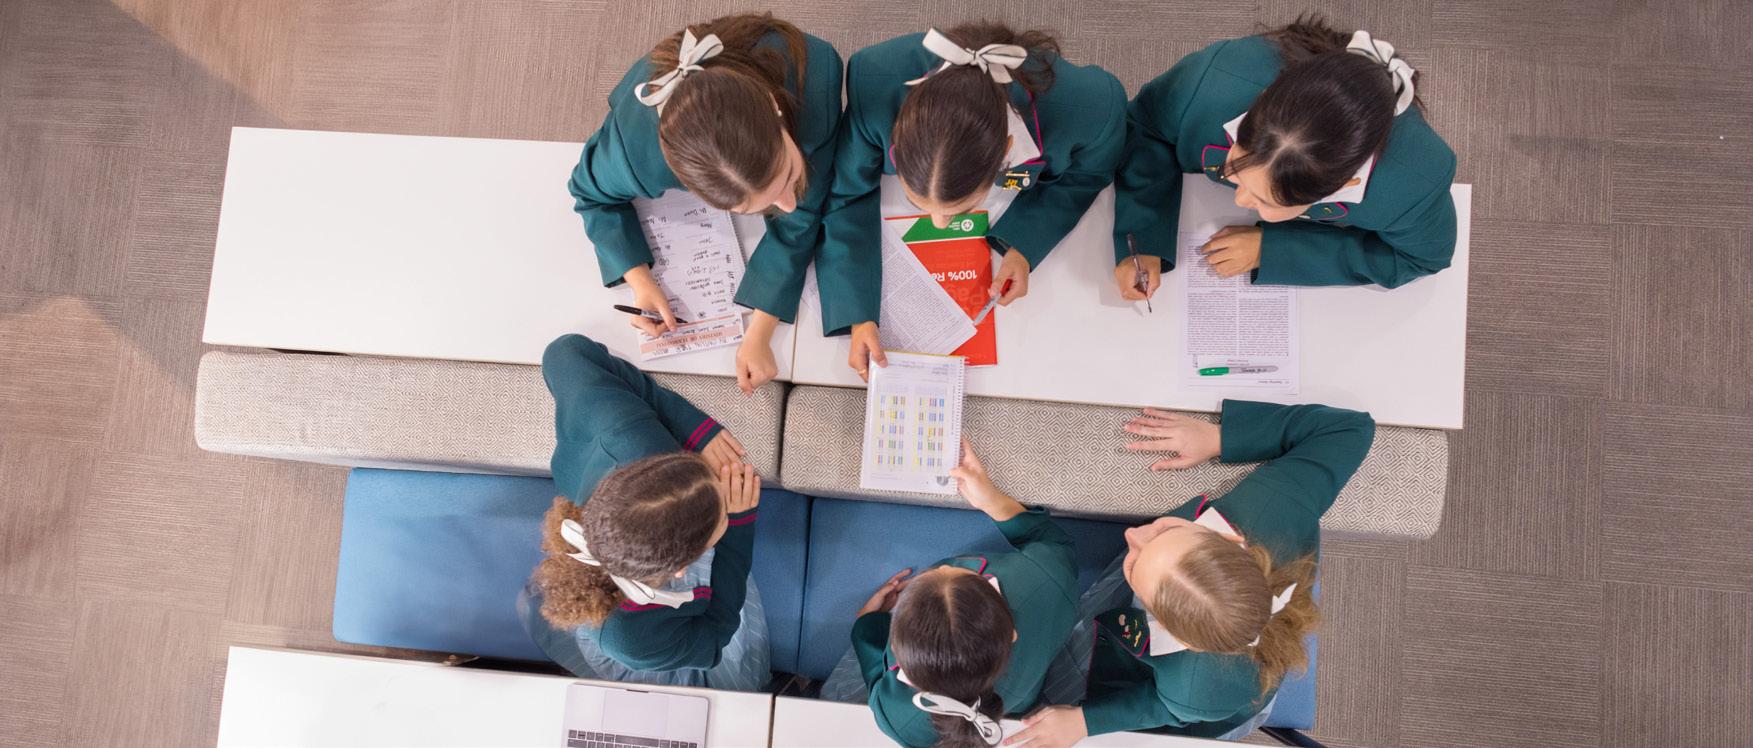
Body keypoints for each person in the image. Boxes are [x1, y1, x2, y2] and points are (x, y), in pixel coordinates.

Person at [1011, 401, 1375, 745]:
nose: (1133, 534)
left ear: (1168, 631)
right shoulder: (1272, 505)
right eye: (1167, 532)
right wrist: (1220, 438)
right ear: (1229, 538)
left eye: (1135, 564)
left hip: (1205, 704)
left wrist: (1086, 721)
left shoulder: (1199, 686)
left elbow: (1164, 707)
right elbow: (1348, 429)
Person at [819, 23, 1126, 381]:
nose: (938, 224)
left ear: (1006, 150)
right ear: (897, 138)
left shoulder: (1091, 108)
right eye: (917, 201)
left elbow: (1086, 176)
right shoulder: (873, 83)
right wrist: (858, 315)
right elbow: (847, 195)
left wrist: (1023, 246)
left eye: (959, 209)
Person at [569, 13, 843, 394]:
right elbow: (589, 192)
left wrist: (760, 330)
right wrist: (639, 280)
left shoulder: (818, 79)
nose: (789, 204)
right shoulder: (637, 155)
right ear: (691, 187)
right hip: (649, 112)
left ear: (775, 109)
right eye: (752, 208)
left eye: (787, 175)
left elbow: (803, 216)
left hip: (775, 63)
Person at [1112, 15, 1456, 301]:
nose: (1240, 200)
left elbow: (1422, 257)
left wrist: (1272, 249)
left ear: (1343, 184)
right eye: (1237, 168)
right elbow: (1146, 127)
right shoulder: (1209, 84)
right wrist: (1144, 235)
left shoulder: (1415, 184)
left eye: (1265, 200)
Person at [517, 334, 769, 691]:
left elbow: (564, 351)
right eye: (721, 517)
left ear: (656, 465)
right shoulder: (631, 639)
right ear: (684, 568)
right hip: (644, 643)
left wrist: (695, 428)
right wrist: (739, 525)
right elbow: (715, 638)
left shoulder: (632, 439)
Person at [819, 441, 1082, 747]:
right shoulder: (1047, 580)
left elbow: (876, 674)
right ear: (1011, 632)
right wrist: (993, 501)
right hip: (1025, 687)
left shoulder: (898, 719)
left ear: (902, 658)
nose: (941, 568)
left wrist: (867, 623)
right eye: (954, 573)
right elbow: (1053, 543)